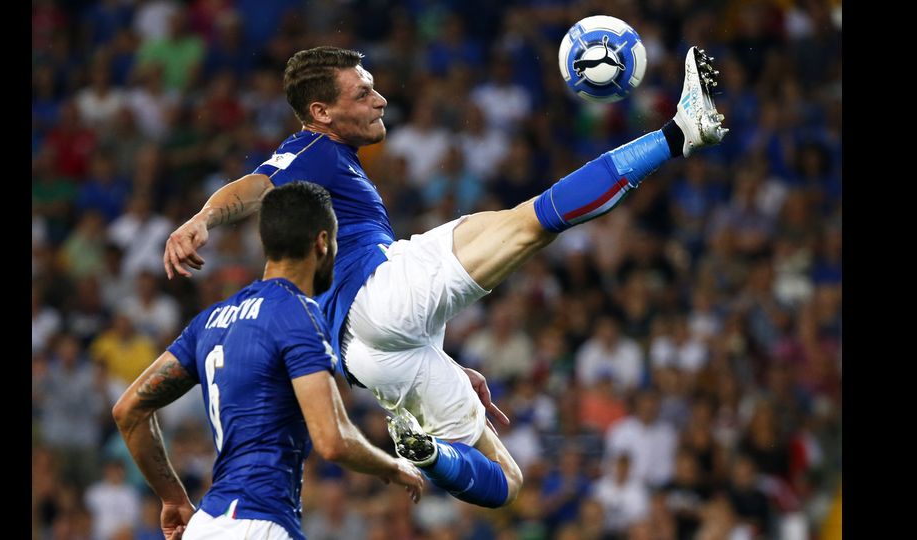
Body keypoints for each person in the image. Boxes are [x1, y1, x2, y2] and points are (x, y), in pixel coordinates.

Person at [163, 45, 727, 508]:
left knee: (506, 481)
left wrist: (447, 361)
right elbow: (255, 188)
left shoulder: (328, 155)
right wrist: (203, 218)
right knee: (530, 223)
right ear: (320, 112)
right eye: (362, 93)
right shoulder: (311, 148)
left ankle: (430, 455)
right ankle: (680, 134)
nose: (380, 98)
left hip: (368, 354)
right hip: (379, 295)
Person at [114, 182, 424, 540]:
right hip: (258, 524)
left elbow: (129, 410)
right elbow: (331, 441)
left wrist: (172, 497)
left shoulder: (211, 320)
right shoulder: (298, 314)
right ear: (322, 242)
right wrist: (392, 467)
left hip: (207, 523)